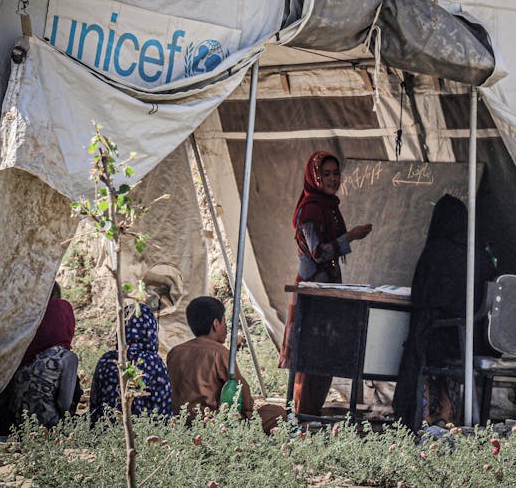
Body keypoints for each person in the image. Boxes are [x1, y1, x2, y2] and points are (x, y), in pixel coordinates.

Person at [278, 151, 372, 416]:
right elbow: (318, 252)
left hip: (326, 291)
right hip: (313, 292)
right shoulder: (311, 209)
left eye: (336, 173)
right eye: (326, 174)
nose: (333, 179)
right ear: (314, 177)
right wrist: (350, 237)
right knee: (311, 354)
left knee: (324, 354)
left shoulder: (329, 207)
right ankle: (301, 414)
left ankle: (309, 412)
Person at [392, 194, 495, 429]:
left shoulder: (436, 252)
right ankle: (447, 412)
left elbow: (420, 297)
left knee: (420, 340)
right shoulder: (483, 256)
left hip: (446, 342)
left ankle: (428, 413)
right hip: (480, 342)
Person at [166, 296, 284, 433]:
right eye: (224, 322)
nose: (226, 328)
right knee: (276, 412)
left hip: (181, 422)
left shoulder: (175, 352)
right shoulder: (219, 353)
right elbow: (242, 395)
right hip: (213, 425)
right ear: (216, 324)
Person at [10, 282, 80, 428]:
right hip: (47, 428)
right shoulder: (66, 357)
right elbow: (65, 405)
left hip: (17, 425)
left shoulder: (23, 351)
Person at [89, 303, 172, 424]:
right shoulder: (153, 362)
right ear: (150, 330)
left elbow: (94, 404)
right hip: (145, 433)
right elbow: (164, 408)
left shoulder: (106, 360)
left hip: (107, 431)